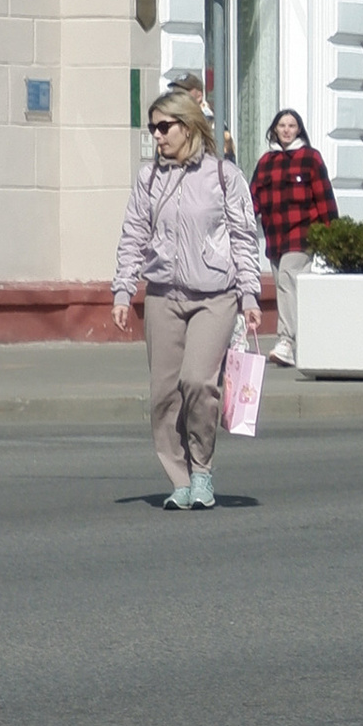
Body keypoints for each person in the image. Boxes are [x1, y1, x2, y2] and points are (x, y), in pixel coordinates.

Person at [112, 79, 262, 511]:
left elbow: (242, 238)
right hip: (162, 296)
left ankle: (202, 470)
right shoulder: (148, 179)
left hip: (215, 296)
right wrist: (123, 291)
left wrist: (249, 297)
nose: (156, 136)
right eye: (153, 129)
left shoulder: (224, 175)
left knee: (197, 381)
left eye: (164, 127)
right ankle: (179, 479)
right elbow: (134, 235)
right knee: (163, 394)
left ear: (188, 126)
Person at [249, 105, 336, 366]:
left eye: (292, 126)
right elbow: (252, 199)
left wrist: (333, 237)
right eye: (282, 125)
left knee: (288, 279)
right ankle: (308, 344)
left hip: (302, 234)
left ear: (299, 130)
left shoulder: (310, 158)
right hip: (275, 238)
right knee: (286, 288)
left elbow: (324, 198)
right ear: (275, 130)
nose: (287, 130)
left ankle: (286, 341)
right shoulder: (266, 162)